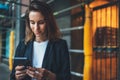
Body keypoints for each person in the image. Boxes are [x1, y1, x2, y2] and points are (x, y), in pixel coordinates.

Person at [10, 1, 71, 80]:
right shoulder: (23, 45)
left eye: (41, 23)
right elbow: (12, 76)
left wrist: (51, 76)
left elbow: (67, 77)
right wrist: (16, 76)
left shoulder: (60, 45)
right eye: (32, 22)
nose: (36, 28)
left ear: (49, 22)